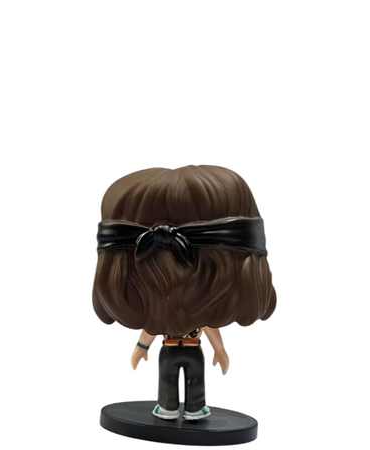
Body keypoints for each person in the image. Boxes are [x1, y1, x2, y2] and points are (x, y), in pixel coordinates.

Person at [93, 164, 276, 420]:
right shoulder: (159, 315)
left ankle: (194, 407)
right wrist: (141, 347)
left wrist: (220, 350)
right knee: (167, 380)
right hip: (169, 348)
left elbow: (209, 326)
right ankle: (167, 406)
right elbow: (152, 328)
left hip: (193, 347)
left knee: (195, 381)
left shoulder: (200, 312)